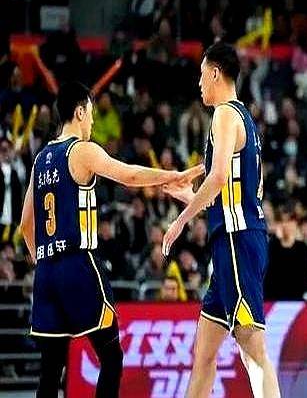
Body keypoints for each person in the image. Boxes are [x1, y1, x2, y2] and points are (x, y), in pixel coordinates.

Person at [20, 82, 202, 398]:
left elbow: (25, 225)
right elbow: (128, 175)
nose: (92, 121)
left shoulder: (40, 159)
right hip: (78, 264)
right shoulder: (82, 150)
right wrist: (172, 176)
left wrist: (44, 261)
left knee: (50, 369)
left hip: (46, 272)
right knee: (111, 356)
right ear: (80, 112)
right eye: (90, 114)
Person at [161, 42, 280, 398]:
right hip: (235, 238)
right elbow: (235, 190)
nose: (199, 83)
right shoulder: (245, 119)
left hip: (236, 239)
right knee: (204, 353)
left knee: (252, 347)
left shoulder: (225, 114)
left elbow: (217, 178)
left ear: (215, 73)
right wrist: (189, 196)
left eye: (201, 75)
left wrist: (180, 220)